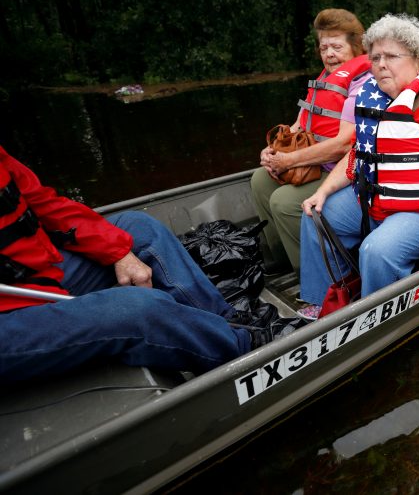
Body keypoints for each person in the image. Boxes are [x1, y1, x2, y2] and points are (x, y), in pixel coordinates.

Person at [0, 146, 301, 383]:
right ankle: (242, 349)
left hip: (35, 277)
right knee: (138, 308)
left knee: (137, 227)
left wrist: (116, 251)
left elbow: (43, 204)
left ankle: (226, 319)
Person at [296, 14, 419, 320]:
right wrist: (323, 190)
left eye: (392, 56)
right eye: (376, 57)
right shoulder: (379, 98)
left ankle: (374, 319)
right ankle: (324, 303)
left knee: (377, 250)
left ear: (418, 60)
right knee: (317, 214)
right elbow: (361, 154)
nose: (381, 64)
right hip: (382, 200)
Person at [250, 9, 371, 272]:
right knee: (260, 179)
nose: (329, 54)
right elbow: (299, 124)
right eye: (324, 46)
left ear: (355, 47)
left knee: (283, 202)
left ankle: (315, 273)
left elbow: (343, 144)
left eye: (337, 46)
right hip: (316, 164)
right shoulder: (325, 79)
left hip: (343, 171)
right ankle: (282, 259)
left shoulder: (363, 82)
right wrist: (272, 152)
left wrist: (289, 160)